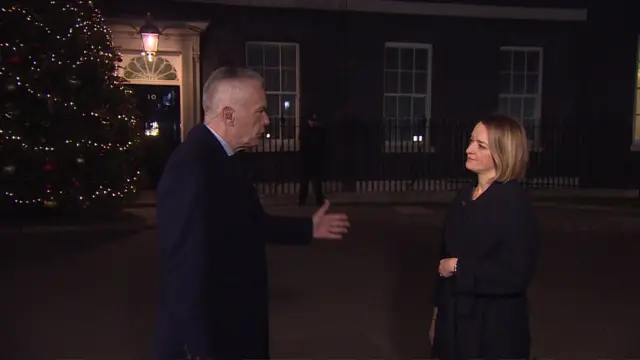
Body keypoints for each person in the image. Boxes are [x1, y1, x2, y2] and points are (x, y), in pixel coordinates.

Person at [153, 66, 350, 360]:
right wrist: (196, 349)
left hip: (234, 328)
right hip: (214, 340)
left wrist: (307, 228)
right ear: (229, 115)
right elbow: (185, 271)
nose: (267, 120)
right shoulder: (193, 168)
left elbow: (250, 223)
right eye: (260, 111)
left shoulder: (224, 157)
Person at [430, 114, 539, 360]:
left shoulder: (514, 205)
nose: (469, 149)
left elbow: (515, 274)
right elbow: (443, 259)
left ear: (503, 153)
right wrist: (437, 317)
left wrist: (459, 267)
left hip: (493, 332)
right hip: (454, 323)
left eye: (480, 146)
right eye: (471, 141)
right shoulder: (464, 196)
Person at [298, 113, 326, 205]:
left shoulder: (318, 131)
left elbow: (322, 143)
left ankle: (319, 200)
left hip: (315, 159)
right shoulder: (305, 131)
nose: (313, 123)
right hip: (307, 160)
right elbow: (303, 144)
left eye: (314, 121)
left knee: (317, 182)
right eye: (312, 121)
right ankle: (302, 200)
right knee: (305, 182)